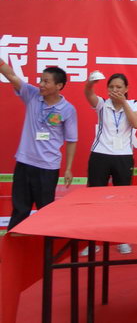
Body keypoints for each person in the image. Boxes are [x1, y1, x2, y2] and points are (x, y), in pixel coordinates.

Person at [0, 58, 77, 230]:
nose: (41, 84)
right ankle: (15, 244)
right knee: (20, 209)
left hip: (48, 167)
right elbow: (11, 75)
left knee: (45, 211)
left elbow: (72, 140)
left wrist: (68, 168)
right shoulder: (32, 95)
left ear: (59, 86)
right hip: (24, 163)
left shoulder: (68, 109)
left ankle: (46, 246)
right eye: (41, 80)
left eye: (46, 81)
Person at [83, 72, 137, 255]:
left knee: (122, 200)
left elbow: (136, 123)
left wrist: (124, 103)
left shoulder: (134, 104)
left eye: (119, 87)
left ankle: (122, 239)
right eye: (111, 87)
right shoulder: (102, 104)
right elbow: (88, 93)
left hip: (123, 156)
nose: (115, 90)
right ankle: (92, 241)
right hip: (100, 154)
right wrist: (90, 83)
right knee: (94, 200)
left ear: (126, 89)